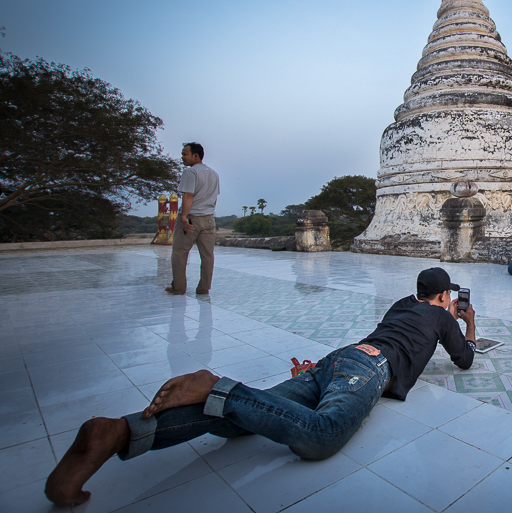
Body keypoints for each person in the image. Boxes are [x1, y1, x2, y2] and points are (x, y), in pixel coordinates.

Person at [45, 268, 476, 506]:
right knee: (322, 436)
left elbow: (408, 322)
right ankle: (218, 385)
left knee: (236, 423)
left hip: (338, 359)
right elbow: (465, 360)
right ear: (442, 297)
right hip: (368, 368)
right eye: (448, 298)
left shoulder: (403, 304)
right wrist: (467, 322)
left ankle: (119, 432)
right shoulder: (442, 316)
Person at [165, 142, 220, 295]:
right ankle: (204, 288)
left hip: (192, 218)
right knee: (207, 256)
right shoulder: (214, 174)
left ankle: (178, 288)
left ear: (195, 156)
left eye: (184, 154)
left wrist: (183, 217)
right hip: (209, 219)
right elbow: (214, 199)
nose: (182, 157)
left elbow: (188, 195)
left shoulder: (190, 172)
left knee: (180, 253)